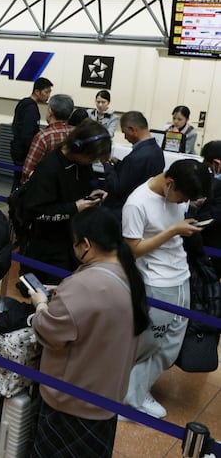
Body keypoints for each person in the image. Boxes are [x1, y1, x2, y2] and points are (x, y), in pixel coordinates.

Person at [29, 206, 150, 458]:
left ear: (85, 244)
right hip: (107, 396)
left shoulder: (84, 284)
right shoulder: (129, 273)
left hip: (73, 400)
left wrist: (40, 304)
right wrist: (62, 295)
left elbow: (49, 330)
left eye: (75, 243)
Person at [122, 159, 211, 418]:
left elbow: (175, 219)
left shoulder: (176, 194)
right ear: (169, 184)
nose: (182, 202)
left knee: (170, 345)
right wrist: (173, 231)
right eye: (183, 197)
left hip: (180, 276)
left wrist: (186, 221)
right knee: (149, 344)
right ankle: (129, 400)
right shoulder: (137, 203)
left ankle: (136, 393)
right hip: (155, 282)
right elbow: (134, 250)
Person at [21, 121, 111, 283]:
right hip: (48, 247)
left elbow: (82, 188)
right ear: (77, 148)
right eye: (91, 157)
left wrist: (92, 195)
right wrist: (75, 207)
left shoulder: (82, 165)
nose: (92, 162)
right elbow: (35, 211)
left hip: (73, 242)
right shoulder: (49, 168)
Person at [103, 111, 165, 219]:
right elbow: (137, 173)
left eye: (125, 133)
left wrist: (107, 164)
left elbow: (117, 187)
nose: (125, 137)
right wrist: (119, 163)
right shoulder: (157, 150)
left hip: (123, 210)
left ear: (133, 129)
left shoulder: (136, 157)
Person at [10, 77, 53, 190]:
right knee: (21, 182)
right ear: (37, 91)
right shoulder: (31, 109)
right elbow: (27, 134)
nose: (48, 95)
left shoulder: (24, 103)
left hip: (17, 148)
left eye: (49, 92)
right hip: (23, 152)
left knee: (17, 180)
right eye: (46, 92)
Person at [21, 93, 74, 183]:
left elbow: (28, 170)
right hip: (70, 189)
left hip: (45, 189)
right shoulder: (77, 133)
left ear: (50, 112)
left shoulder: (43, 137)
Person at [192, 140, 221, 278]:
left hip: (214, 242)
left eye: (210, 167)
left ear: (217, 164)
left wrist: (192, 222)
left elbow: (216, 214)